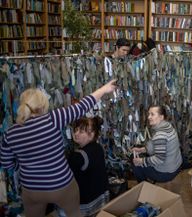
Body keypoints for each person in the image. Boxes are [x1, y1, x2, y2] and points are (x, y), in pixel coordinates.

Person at [0, 79, 117, 217]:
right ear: (42, 105)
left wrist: (25, 165)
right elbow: (82, 107)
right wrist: (103, 89)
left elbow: (6, 164)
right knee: (74, 214)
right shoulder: (52, 119)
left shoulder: (10, 133)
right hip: (61, 185)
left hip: (31, 190)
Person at [66, 116, 109, 217]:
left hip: (86, 206)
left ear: (91, 135)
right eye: (76, 130)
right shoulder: (98, 148)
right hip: (102, 199)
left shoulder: (78, 156)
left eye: (81, 131)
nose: (76, 134)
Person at [132, 105, 182, 183]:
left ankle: (144, 187)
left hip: (166, 172)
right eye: (149, 114)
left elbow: (159, 159)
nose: (149, 117)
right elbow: (155, 146)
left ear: (161, 117)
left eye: (152, 114)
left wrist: (141, 161)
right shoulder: (167, 125)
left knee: (136, 166)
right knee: (144, 158)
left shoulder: (160, 135)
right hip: (176, 165)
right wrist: (142, 150)